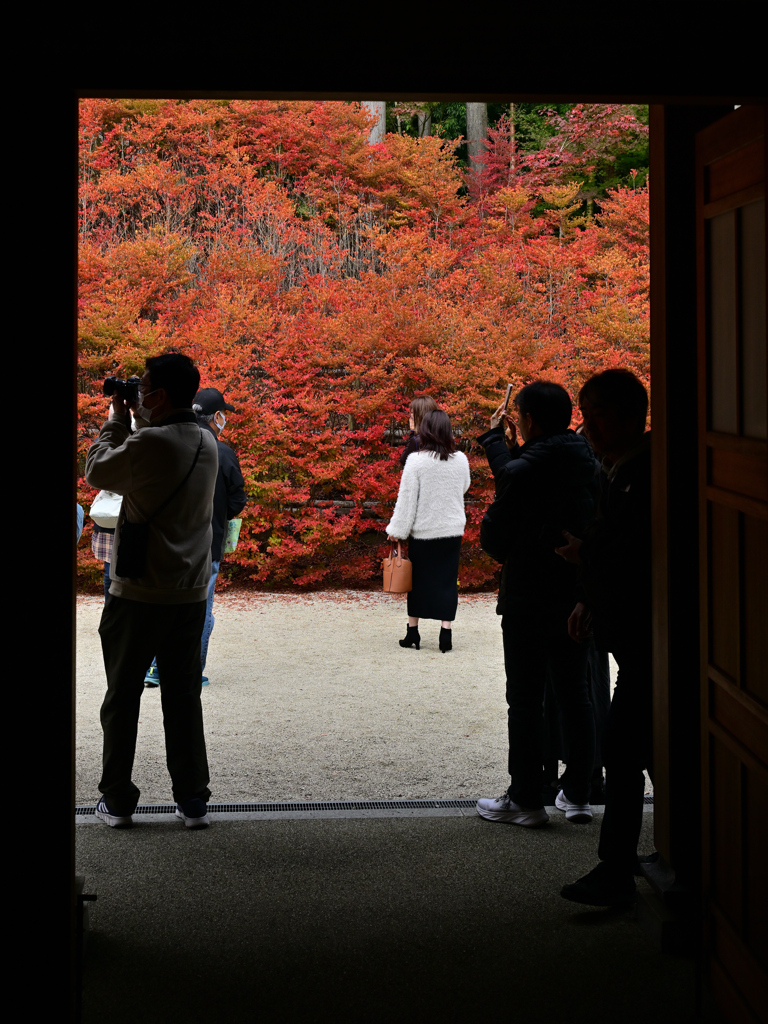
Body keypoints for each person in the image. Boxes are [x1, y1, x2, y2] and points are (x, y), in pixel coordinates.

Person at [85, 352, 218, 829]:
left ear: (158, 396)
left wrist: (117, 419)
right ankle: (192, 800)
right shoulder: (207, 441)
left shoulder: (151, 443)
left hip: (138, 594)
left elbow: (97, 470)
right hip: (189, 593)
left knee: (122, 697)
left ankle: (118, 800)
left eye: (143, 389)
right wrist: (136, 416)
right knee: (183, 698)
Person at [475, 380, 598, 828]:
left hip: (529, 594)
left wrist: (493, 442)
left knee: (525, 698)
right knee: (574, 694)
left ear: (530, 420)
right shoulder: (587, 459)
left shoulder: (527, 470)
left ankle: (526, 798)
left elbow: (496, 530)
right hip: (575, 593)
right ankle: (579, 792)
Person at [557, 368, 652, 905]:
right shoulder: (622, 469)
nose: (585, 426)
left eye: (592, 415)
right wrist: (588, 597)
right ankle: (629, 864)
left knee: (624, 748)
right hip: (636, 637)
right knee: (640, 749)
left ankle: (617, 869)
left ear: (619, 417)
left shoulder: (642, 474)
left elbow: (635, 554)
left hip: (648, 642)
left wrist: (583, 560)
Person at [143, 387, 247, 688]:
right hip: (208, 542)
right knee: (201, 609)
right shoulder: (223, 452)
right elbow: (238, 500)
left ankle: (155, 668)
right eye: (223, 414)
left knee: (164, 604)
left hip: (167, 540)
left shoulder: (170, 444)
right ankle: (189, 671)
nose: (225, 419)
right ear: (216, 416)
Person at [386, 409, 470, 652]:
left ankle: (413, 632)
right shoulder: (461, 460)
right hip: (452, 530)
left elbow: (407, 500)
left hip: (424, 531)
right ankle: (446, 635)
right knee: (447, 582)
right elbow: (464, 487)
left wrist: (397, 529)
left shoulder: (416, 461)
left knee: (418, 582)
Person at [400, 396, 438, 467]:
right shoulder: (447, 438)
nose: (410, 416)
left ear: (420, 415)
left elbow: (404, 460)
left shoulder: (418, 441)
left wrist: (413, 432)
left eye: (412, 413)